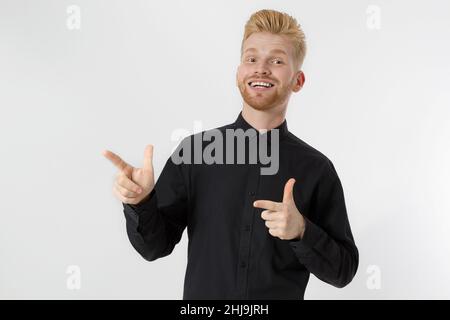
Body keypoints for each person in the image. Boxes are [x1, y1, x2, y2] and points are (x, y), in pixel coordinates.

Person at [103, 9, 358, 300]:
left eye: (276, 61)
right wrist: (141, 202)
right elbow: (153, 248)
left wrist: (302, 231)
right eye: (251, 59)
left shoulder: (316, 170)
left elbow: (344, 271)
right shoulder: (195, 153)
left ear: (297, 81)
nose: (261, 69)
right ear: (239, 73)